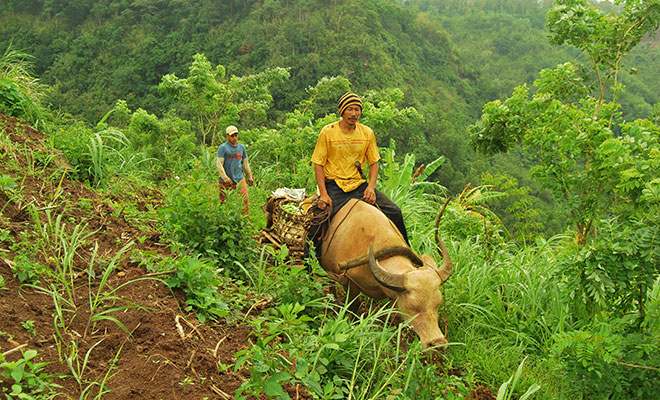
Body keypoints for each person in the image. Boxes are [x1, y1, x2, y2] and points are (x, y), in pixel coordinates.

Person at [310, 92, 410, 246]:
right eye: (349, 109)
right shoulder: (328, 132)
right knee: (318, 220)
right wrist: (323, 193)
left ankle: (408, 252)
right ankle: (308, 261)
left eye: (357, 110)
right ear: (342, 111)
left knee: (395, 211)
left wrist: (371, 187)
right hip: (334, 186)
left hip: (358, 185)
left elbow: (374, 163)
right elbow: (318, 164)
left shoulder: (367, 133)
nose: (354, 114)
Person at [217, 125, 254, 213]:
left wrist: (250, 177)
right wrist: (226, 178)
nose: (234, 138)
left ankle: (245, 221)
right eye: (232, 136)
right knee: (224, 201)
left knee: (244, 199)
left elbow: (245, 164)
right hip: (225, 180)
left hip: (239, 178)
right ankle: (223, 218)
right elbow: (219, 165)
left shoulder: (241, 148)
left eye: (236, 135)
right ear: (227, 136)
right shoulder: (223, 148)